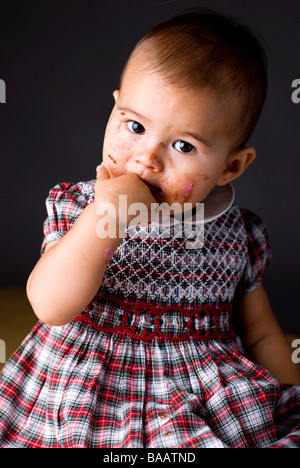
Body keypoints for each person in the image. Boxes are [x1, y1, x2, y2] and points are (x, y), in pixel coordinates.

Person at [1, 9, 300, 448]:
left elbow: (261, 332)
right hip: (86, 390)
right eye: (135, 126)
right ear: (115, 109)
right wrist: (107, 219)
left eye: (183, 146)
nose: (146, 159)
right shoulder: (82, 206)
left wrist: (290, 395)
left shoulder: (239, 233)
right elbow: (50, 305)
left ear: (231, 166)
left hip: (194, 398)